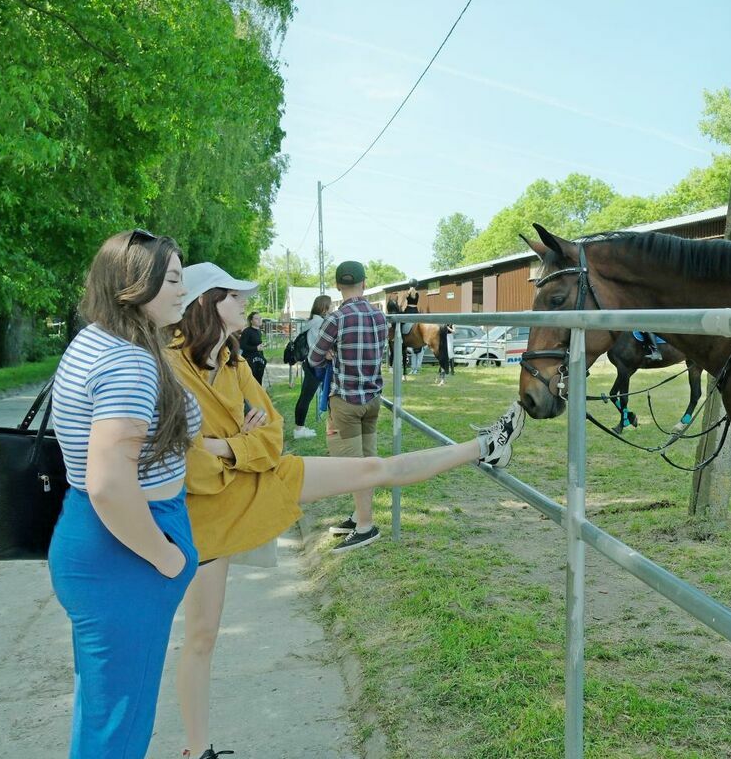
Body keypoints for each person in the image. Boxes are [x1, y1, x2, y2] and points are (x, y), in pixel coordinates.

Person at [166, 261, 524, 758]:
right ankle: (195, 749)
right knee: (201, 636)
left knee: (373, 469)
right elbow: (188, 467)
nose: (246, 303)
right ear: (207, 303)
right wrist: (236, 445)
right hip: (205, 516)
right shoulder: (167, 368)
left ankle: (485, 444)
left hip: (260, 482)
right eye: (235, 296)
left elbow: (270, 438)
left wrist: (227, 447)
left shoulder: (234, 362)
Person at [48, 229, 201, 758]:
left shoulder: (97, 339)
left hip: (101, 542)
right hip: (127, 550)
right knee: (120, 726)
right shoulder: (129, 362)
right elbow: (110, 484)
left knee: (105, 713)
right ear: (136, 284)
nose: (184, 290)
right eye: (175, 278)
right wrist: (166, 558)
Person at [307, 260, 387, 551]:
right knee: (366, 460)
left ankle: (365, 527)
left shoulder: (336, 319)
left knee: (353, 468)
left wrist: (332, 355)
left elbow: (313, 358)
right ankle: (358, 516)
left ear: (339, 286)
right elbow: (383, 353)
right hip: (372, 400)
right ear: (364, 284)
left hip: (345, 401)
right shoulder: (380, 317)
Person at [291, 294, 332, 439]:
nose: (332, 307)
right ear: (324, 307)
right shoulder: (320, 322)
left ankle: (300, 428)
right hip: (317, 365)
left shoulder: (312, 322)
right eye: (330, 305)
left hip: (310, 364)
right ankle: (299, 429)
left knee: (306, 396)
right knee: (307, 397)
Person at [238, 310, 266, 384]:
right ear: (251, 321)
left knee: (259, 381)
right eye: (256, 318)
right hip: (249, 361)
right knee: (251, 382)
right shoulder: (247, 331)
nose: (259, 320)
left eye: (260, 318)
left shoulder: (259, 331)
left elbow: (258, 345)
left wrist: (262, 354)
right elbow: (242, 345)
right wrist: (256, 348)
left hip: (258, 360)